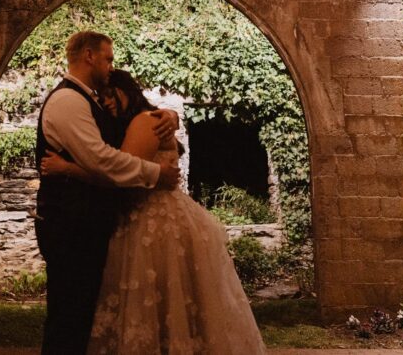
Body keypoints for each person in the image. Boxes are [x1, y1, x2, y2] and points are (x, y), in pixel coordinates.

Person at [42, 69, 266, 355]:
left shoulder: (144, 122)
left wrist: (68, 169)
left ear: (127, 92)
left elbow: (118, 176)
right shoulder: (146, 120)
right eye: (102, 97)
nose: (107, 102)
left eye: (111, 94)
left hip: (153, 223)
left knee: (160, 305)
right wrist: (172, 115)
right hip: (151, 217)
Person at [35, 31, 181, 355]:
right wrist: (156, 174)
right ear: (89, 56)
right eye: (108, 59)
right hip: (69, 224)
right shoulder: (68, 101)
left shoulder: (89, 101)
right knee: (68, 318)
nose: (110, 67)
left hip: (83, 225)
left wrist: (172, 114)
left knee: (79, 315)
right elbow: (101, 160)